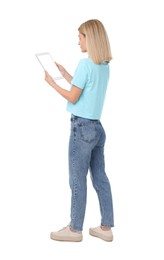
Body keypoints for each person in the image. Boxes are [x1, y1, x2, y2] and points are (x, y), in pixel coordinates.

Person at [44, 19, 114, 242]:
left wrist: (52, 84)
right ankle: (106, 228)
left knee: (77, 179)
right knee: (100, 178)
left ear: (90, 38)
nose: (78, 41)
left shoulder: (85, 64)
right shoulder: (103, 67)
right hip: (97, 129)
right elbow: (86, 89)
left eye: (80, 37)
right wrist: (65, 74)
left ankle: (74, 229)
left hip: (81, 128)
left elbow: (74, 96)